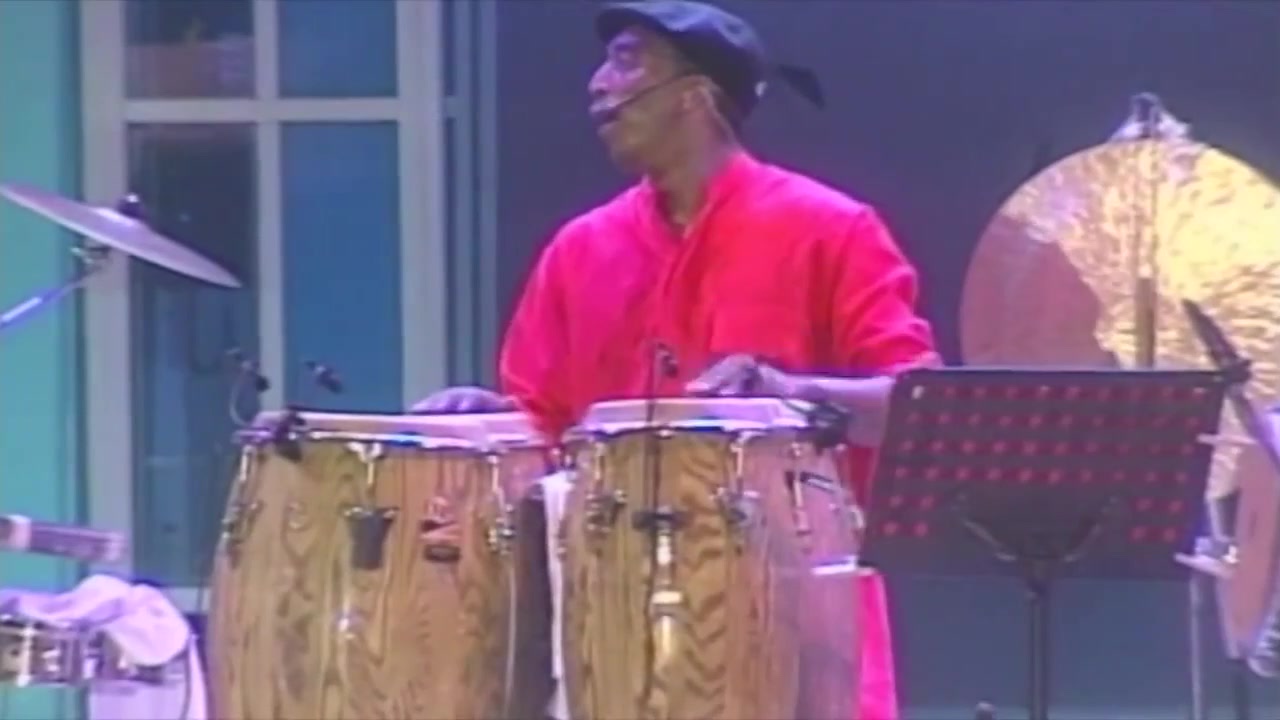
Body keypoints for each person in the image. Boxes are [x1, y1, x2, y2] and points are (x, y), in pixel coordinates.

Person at [414, 1, 940, 717]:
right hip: (613, 627)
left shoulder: (831, 229)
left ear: (695, 96)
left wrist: (786, 391)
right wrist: (488, 424)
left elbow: (916, 413)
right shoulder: (579, 249)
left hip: (791, 622)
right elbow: (545, 426)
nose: (598, 83)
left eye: (627, 61)